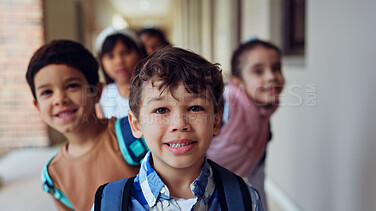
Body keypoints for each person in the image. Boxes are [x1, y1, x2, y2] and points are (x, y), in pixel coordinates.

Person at [93, 47, 263, 210]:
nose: (180, 124)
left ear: (216, 121)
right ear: (136, 124)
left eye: (195, 108)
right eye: (161, 110)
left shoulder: (245, 199)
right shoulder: (108, 203)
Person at [25, 40, 144, 210]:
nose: (59, 99)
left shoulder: (133, 134)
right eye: (47, 92)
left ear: (97, 92)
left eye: (72, 86)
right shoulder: (53, 175)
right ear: (37, 105)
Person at [206, 40, 285, 209]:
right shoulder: (225, 105)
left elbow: (257, 173)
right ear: (237, 81)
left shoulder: (263, 117)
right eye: (258, 71)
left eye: (276, 68)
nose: (271, 76)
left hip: (225, 193)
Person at [96, 28, 145, 119]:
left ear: (140, 54)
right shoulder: (106, 95)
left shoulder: (152, 88)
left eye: (126, 53)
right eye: (111, 56)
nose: (119, 61)